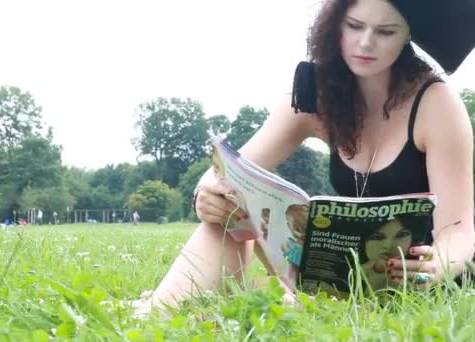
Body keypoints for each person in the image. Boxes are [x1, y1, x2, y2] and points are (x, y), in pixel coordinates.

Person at [145, 0, 475, 313]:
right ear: (335, 25)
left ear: (407, 35)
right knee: (227, 219)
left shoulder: (436, 104)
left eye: (386, 31)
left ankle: (182, 308)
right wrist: (205, 196)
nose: (365, 43)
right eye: (354, 26)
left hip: (420, 280)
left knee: (274, 301)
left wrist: (436, 265)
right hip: (341, 275)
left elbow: (459, 233)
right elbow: (228, 171)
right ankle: (154, 319)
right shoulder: (317, 94)